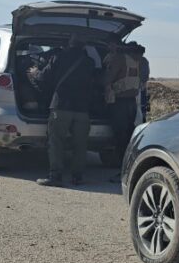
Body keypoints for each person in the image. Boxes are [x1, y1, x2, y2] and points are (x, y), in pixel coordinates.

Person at [35, 36, 95, 187]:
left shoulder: (58, 57)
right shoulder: (90, 62)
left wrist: (35, 72)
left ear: (69, 44)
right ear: (84, 47)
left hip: (61, 106)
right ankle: (78, 177)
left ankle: (55, 176)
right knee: (80, 144)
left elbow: (44, 78)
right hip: (82, 109)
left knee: (56, 142)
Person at [103, 43, 141, 178]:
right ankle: (130, 167)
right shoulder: (137, 61)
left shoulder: (120, 59)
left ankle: (123, 171)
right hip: (132, 102)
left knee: (120, 138)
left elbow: (108, 78)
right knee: (128, 136)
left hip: (119, 102)